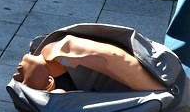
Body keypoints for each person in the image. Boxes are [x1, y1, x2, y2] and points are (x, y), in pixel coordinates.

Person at [12, 34, 166, 92]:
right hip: (159, 82)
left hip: (158, 85)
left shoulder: (55, 51)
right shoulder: (55, 50)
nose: (15, 73)